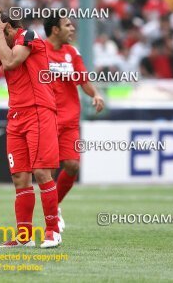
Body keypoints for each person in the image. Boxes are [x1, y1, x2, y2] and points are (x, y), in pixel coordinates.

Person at [0, 11, 62, 248]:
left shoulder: (30, 37)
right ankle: (24, 237)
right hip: (15, 116)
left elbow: (12, 61)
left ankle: (53, 231)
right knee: (19, 177)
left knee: (42, 172)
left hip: (39, 111)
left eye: (0, 33)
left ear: (10, 27)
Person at [43, 13, 105, 232]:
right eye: (67, 25)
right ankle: (50, 217)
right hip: (47, 118)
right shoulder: (38, 49)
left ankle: (55, 206)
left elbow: (83, 80)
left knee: (72, 165)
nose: (72, 28)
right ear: (55, 29)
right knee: (47, 170)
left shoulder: (72, 52)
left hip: (69, 119)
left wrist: (95, 94)